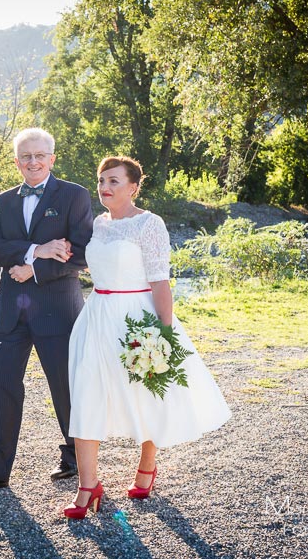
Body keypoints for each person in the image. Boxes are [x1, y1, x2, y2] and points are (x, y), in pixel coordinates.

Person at [62, 156, 231, 519]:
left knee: (148, 392)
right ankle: (88, 486)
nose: (105, 187)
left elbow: (160, 281)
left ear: (133, 186)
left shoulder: (149, 224)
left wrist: (165, 332)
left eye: (113, 181)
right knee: (87, 394)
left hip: (137, 318)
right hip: (96, 317)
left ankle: (148, 464)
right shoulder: (97, 224)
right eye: (101, 181)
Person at [0, 128, 94, 492]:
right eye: (25, 157)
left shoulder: (75, 195)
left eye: (39, 155)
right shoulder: (5, 199)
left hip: (58, 310)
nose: (33, 162)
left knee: (65, 388)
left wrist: (35, 268)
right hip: (11, 312)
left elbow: (81, 253)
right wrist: (37, 250)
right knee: (0, 386)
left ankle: (76, 457)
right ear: (17, 162)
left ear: (52, 157)